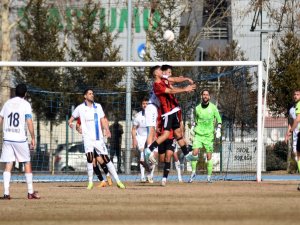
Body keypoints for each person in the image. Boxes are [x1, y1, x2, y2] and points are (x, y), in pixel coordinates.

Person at [68, 88, 125, 189]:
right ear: (85, 96)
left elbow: (103, 119)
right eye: (90, 94)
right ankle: (90, 183)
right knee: (90, 158)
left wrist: (107, 129)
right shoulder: (80, 108)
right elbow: (70, 121)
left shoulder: (98, 106)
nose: (92, 95)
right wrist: (76, 128)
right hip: (87, 138)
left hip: (98, 139)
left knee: (106, 159)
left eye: (92, 93)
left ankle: (118, 181)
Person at [145, 65, 196, 164]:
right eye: (160, 70)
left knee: (178, 133)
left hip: (174, 110)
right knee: (166, 134)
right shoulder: (157, 85)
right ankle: (149, 150)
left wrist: (186, 79)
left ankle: (187, 155)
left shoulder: (163, 79)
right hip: (168, 112)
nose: (162, 71)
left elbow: (174, 79)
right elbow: (170, 91)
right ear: (155, 73)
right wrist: (185, 89)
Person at [0, 84, 40, 200]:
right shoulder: (26, 104)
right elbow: (29, 121)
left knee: (8, 164)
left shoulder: (7, 103)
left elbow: (1, 118)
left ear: (15, 92)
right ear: (25, 94)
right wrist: (33, 137)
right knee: (27, 162)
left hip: (7, 138)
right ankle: (30, 192)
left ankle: (6, 193)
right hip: (20, 138)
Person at [187, 89, 222, 183]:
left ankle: (209, 177)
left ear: (209, 97)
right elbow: (195, 120)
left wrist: (218, 129)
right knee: (194, 152)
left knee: (209, 156)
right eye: (204, 94)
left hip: (209, 135)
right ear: (201, 96)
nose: (205, 96)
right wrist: (192, 127)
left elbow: (219, 120)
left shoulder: (213, 108)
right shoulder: (197, 108)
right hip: (198, 134)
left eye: (207, 94)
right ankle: (193, 172)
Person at [76, 117, 113, 187]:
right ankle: (102, 181)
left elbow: (105, 120)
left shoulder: (95, 112)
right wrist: (79, 129)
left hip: (96, 140)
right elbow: (77, 126)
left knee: (100, 160)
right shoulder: (81, 114)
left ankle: (108, 176)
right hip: (88, 141)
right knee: (93, 162)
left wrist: (105, 130)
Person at [132, 97, 150, 182]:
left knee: (150, 156)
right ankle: (142, 176)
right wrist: (134, 139)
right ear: (141, 105)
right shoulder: (138, 116)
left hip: (150, 137)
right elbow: (133, 129)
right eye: (143, 104)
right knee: (142, 154)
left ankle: (150, 175)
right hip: (140, 138)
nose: (145, 105)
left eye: (147, 103)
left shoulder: (153, 115)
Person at [285, 89, 300, 174]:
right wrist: (288, 133)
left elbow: (297, 120)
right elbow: (290, 122)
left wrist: (291, 130)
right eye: (294, 94)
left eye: (298, 94)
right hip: (295, 136)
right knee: (296, 156)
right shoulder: (291, 109)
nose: (295, 96)